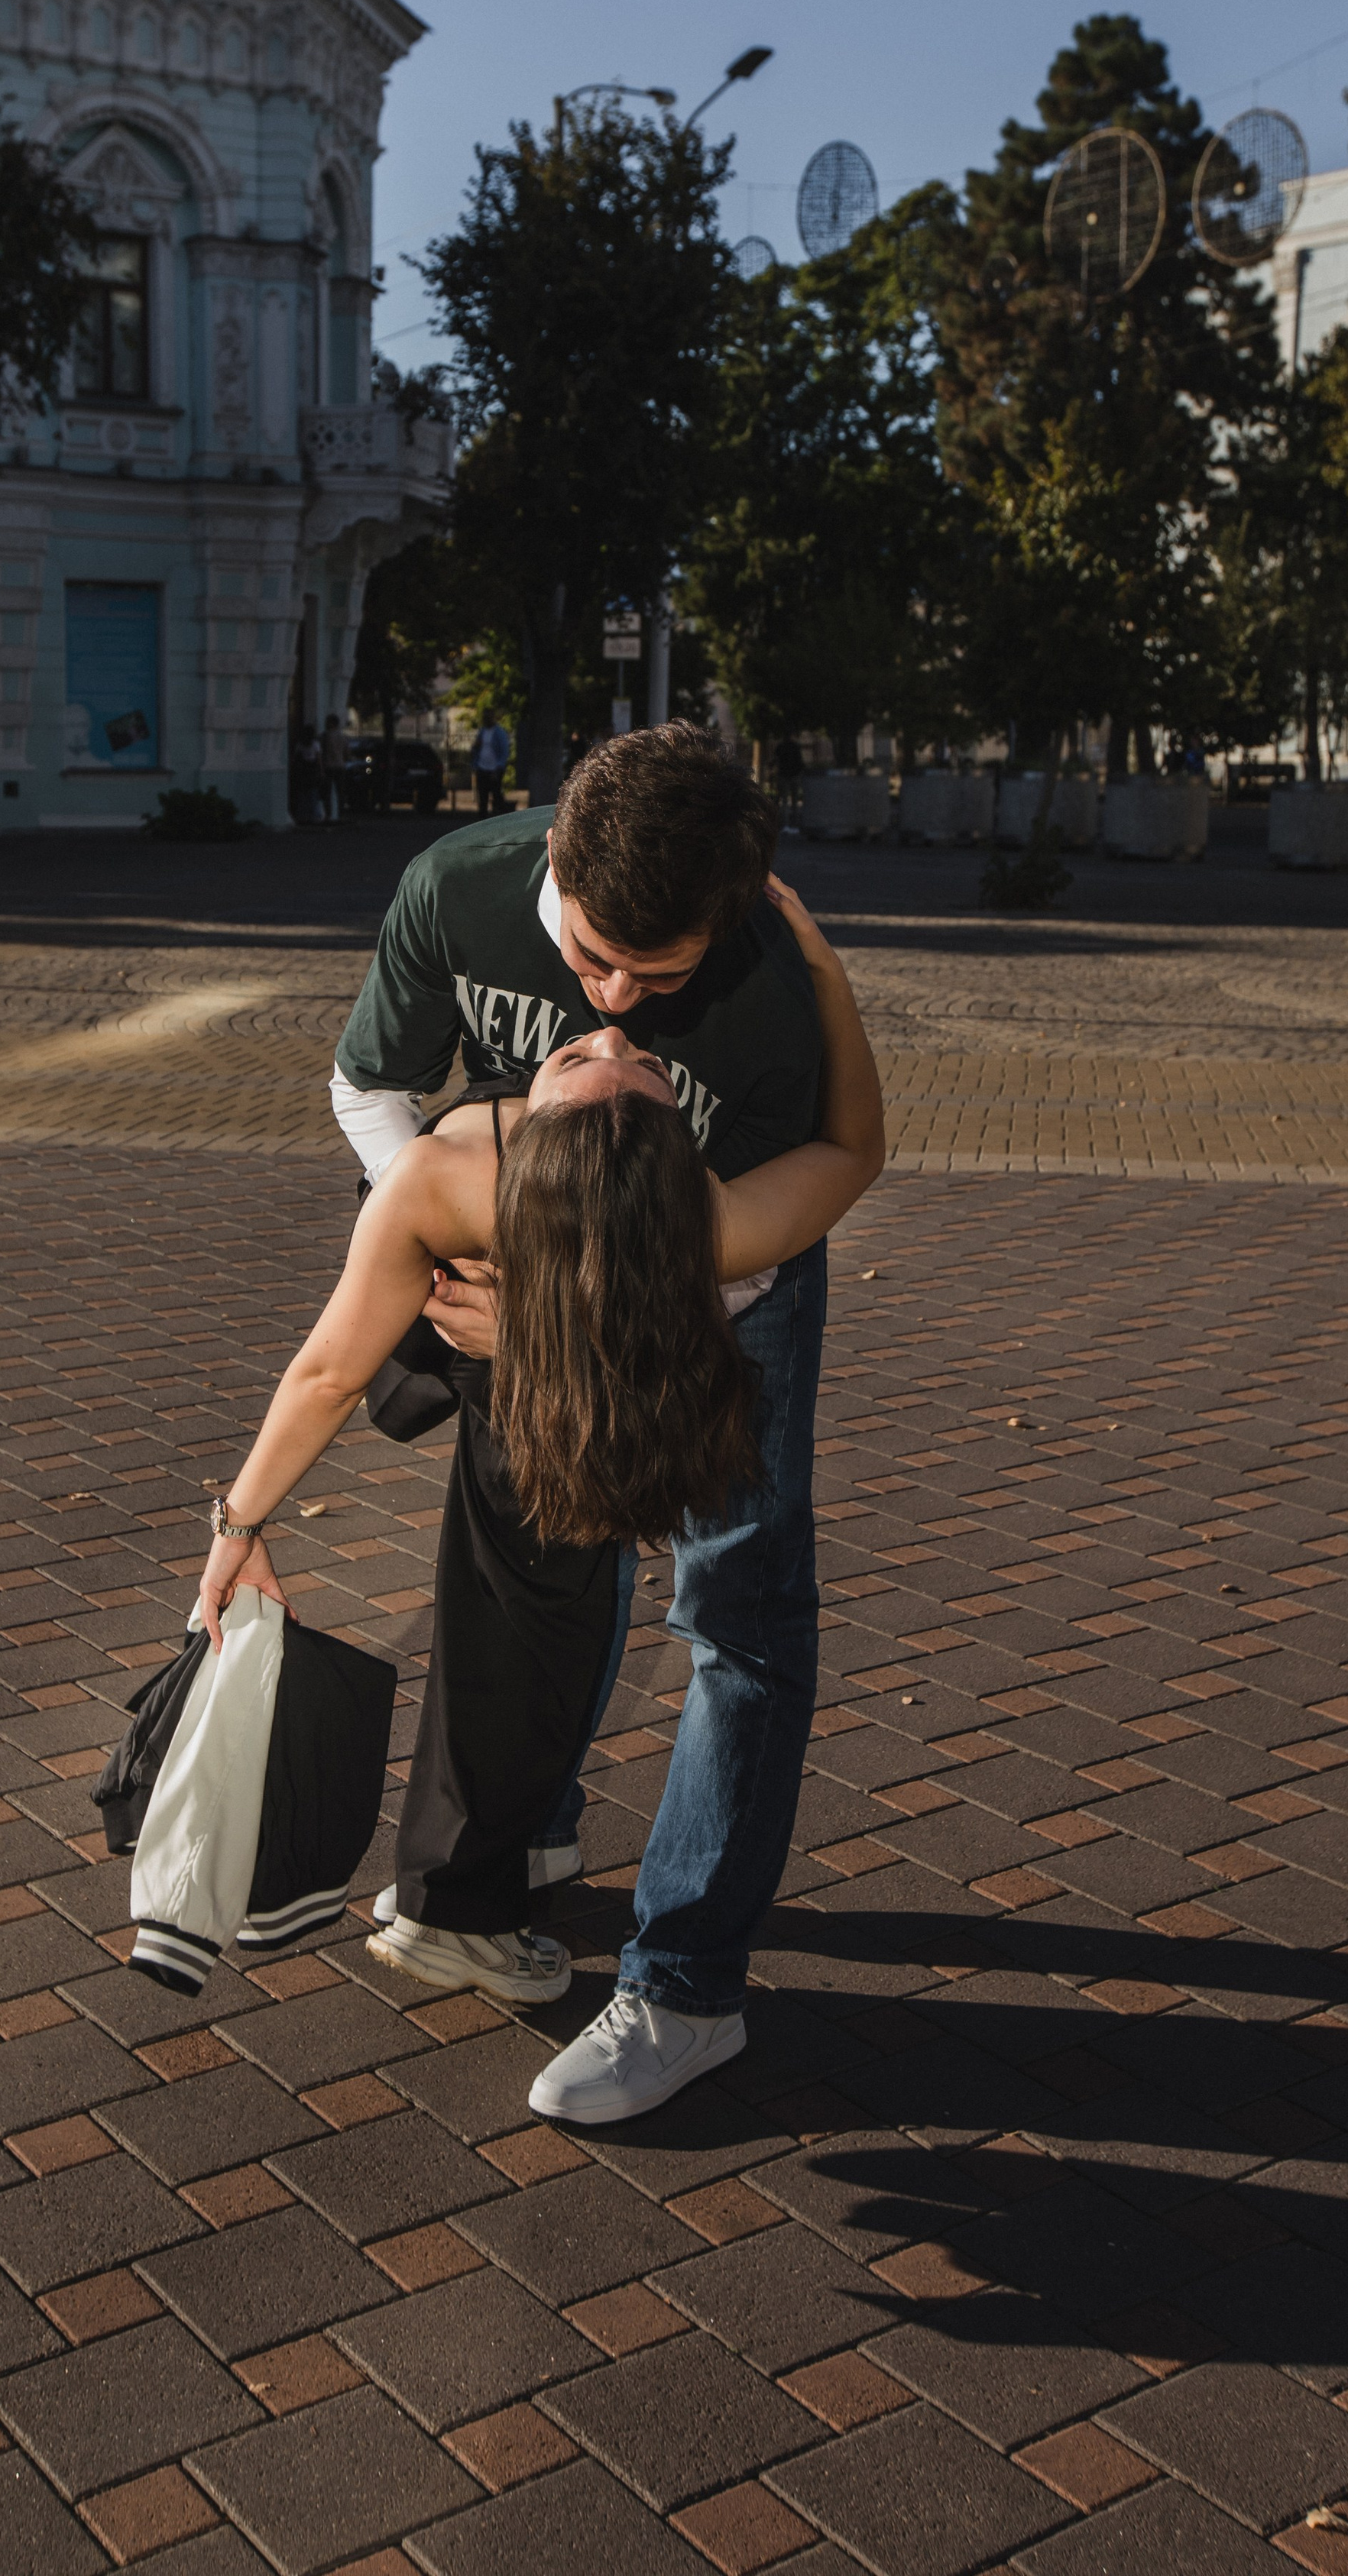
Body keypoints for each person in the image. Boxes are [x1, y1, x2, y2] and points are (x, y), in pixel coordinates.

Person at [199, 878, 883, 2027]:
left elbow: (327, 1370)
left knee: (566, 1590)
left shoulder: (469, 1181)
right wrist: (822, 960)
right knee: (540, 1597)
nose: (612, 1031)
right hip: (569, 1357)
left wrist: (239, 1526)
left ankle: (501, 1875)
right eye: (621, 1060)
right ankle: (483, 1869)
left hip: (627, 1366)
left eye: (610, 1066)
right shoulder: (708, 1217)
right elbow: (854, 1148)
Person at [326, 724, 841, 2121]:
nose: (613, 1003)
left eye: (657, 977)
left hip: (728, 1283)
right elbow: (367, 1087)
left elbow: (791, 1210)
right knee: (560, 1544)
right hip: (525, 1269)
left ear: (725, 922)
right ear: (554, 861)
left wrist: (568, 1314)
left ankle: (688, 1990)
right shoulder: (457, 886)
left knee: (738, 1610)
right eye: (594, 957)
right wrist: (461, 1242)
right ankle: (529, 1836)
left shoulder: (768, 986)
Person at [471, 710, 511, 816]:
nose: (486, 720)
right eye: (485, 718)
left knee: (496, 794)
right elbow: (476, 748)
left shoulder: (499, 733)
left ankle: (500, 816)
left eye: (488, 718)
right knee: (482, 796)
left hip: (494, 769)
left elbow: (504, 751)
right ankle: (483, 818)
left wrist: (498, 768)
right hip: (482, 768)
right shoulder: (482, 732)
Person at [291, 721, 325, 826]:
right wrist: (321, 772)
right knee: (313, 794)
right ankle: (315, 817)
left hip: (303, 771)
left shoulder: (300, 744)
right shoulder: (315, 744)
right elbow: (319, 759)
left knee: (302, 795)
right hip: (313, 771)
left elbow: (296, 758)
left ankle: (302, 816)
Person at [322, 714, 348, 823]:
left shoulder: (325, 736)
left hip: (328, 766)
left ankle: (328, 815)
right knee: (340, 792)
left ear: (331, 723)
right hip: (340, 766)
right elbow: (347, 752)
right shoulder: (343, 737)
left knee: (327, 792)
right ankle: (341, 815)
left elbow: (322, 752)